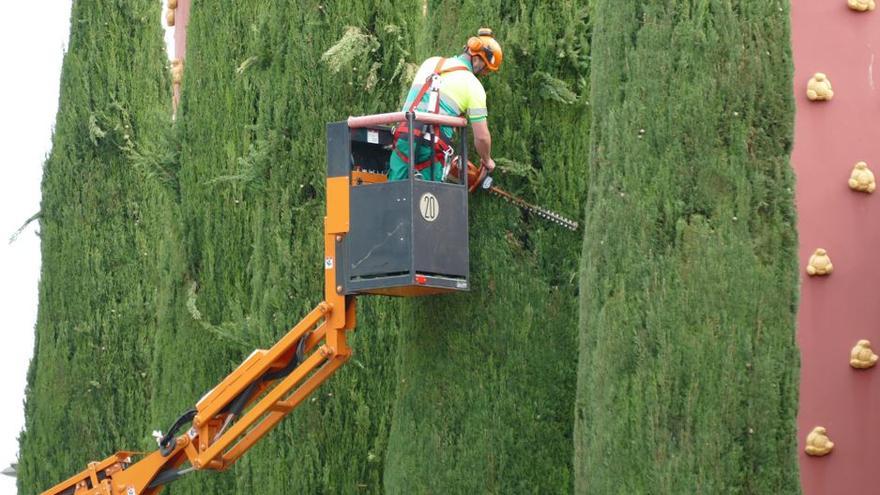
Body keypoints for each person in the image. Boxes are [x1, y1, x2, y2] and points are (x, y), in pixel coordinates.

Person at [389, 28, 502, 182]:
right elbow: (481, 137)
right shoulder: (473, 86)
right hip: (432, 149)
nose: (483, 74)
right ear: (477, 59)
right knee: (425, 201)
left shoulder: (431, 62)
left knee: (393, 195)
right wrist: (487, 160)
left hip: (404, 137)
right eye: (485, 69)